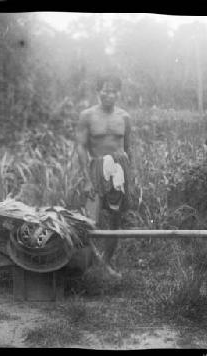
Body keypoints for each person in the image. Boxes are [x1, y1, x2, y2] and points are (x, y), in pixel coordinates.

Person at [75, 74, 134, 278]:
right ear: (98, 91)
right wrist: (86, 179)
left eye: (113, 90)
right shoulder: (87, 116)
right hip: (96, 167)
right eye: (105, 90)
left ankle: (106, 265)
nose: (109, 94)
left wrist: (129, 176)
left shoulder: (124, 117)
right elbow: (81, 147)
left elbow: (128, 148)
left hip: (119, 168)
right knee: (89, 218)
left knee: (115, 219)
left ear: (118, 93)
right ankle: (91, 263)